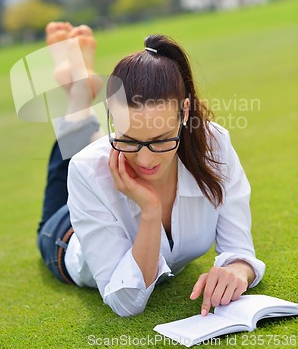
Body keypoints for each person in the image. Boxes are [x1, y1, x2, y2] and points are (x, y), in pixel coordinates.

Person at [37, 22, 265, 318]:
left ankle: (81, 93)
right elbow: (126, 303)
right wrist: (149, 210)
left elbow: (240, 251)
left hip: (103, 191)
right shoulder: (88, 170)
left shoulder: (214, 144)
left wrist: (239, 269)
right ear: (111, 117)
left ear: (185, 111)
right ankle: (79, 98)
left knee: (97, 154)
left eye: (160, 140)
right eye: (128, 139)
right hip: (67, 234)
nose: (145, 163)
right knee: (75, 160)